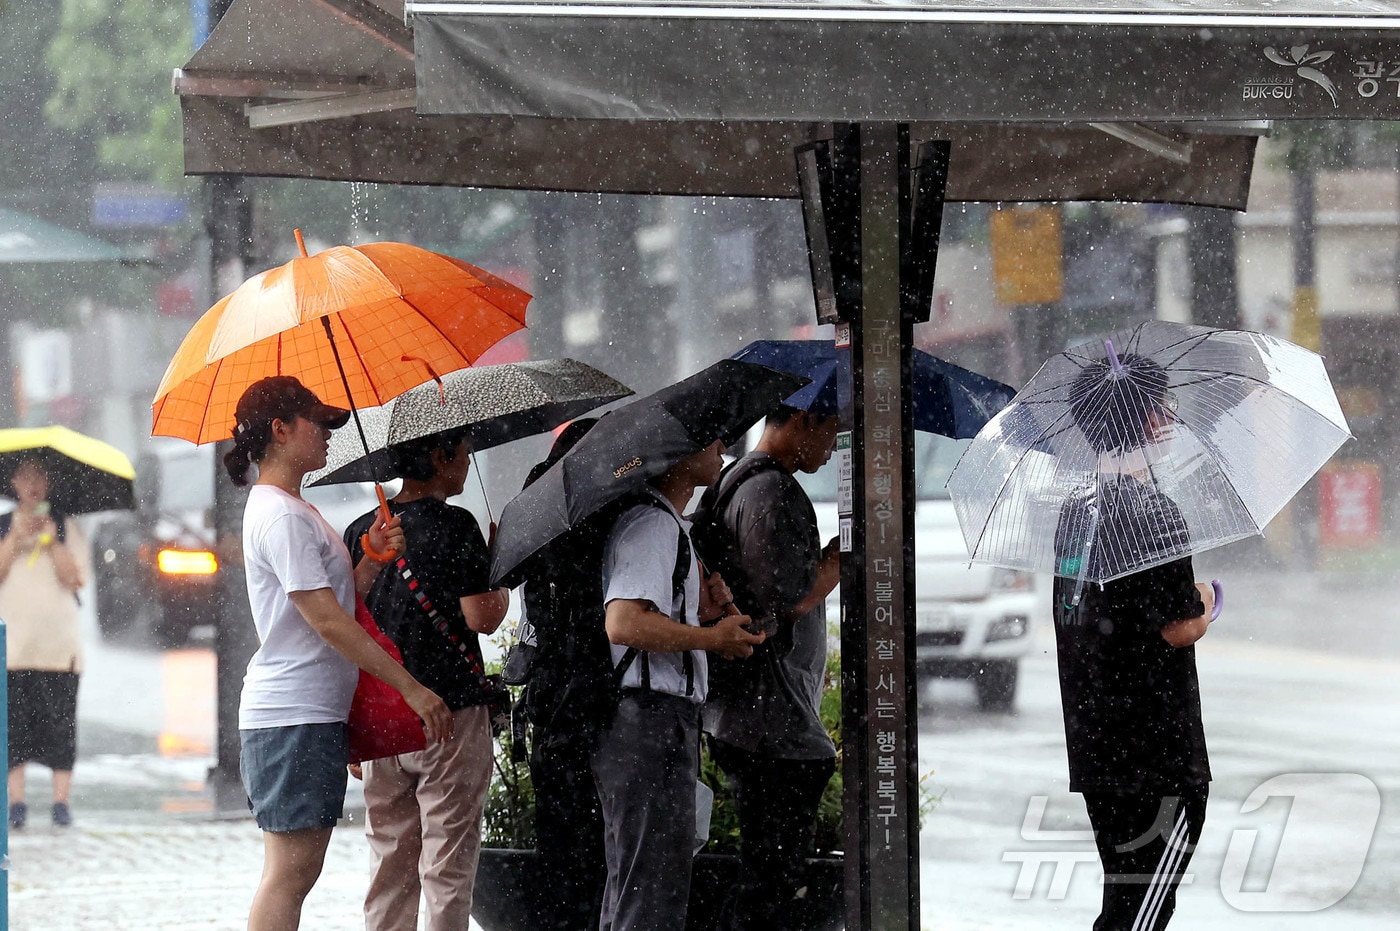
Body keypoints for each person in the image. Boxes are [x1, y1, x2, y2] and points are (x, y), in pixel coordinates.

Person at [224, 375, 453, 931]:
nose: (329, 434)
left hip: (309, 712)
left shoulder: (293, 510)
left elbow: (335, 604)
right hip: (292, 714)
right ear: (280, 430)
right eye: (318, 423)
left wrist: (369, 562)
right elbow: (325, 621)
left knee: (297, 872)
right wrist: (411, 687)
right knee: (290, 874)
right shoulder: (280, 516)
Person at [1052, 356, 1216, 931]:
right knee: (1142, 911)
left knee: (1125, 902)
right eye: (1163, 405)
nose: (1169, 416)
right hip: (1157, 753)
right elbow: (1179, 625)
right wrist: (1209, 601)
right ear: (1148, 420)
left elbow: (1091, 616)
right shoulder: (1155, 513)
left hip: (1100, 746)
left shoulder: (1077, 512)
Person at [592, 438, 765, 931]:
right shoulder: (651, 526)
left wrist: (705, 614)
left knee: (643, 880)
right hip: (647, 719)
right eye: (711, 441)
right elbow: (623, 623)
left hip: (656, 721)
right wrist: (709, 637)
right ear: (677, 454)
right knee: (648, 886)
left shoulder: (668, 526)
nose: (723, 450)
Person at [343, 428, 510, 931]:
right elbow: (482, 618)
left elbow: (346, 622)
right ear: (440, 456)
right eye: (463, 452)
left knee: (389, 864)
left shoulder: (361, 530)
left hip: (382, 718)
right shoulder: (456, 525)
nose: (466, 462)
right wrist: (498, 568)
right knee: (447, 865)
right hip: (449, 714)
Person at [692, 404, 841, 931]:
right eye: (832, 433)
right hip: (769, 722)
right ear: (802, 421)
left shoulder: (739, 483)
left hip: (748, 714)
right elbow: (786, 597)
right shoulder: (769, 491)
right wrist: (842, 558)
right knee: (770, 882)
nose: (834, 448)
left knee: (766, 874)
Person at [516, 418, 610, 931]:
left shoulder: (538, 506)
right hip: (590, 695)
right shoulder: (596, 513)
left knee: (558, 836)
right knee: (593, 841)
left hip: (549, 697)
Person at [1, 458, 89, 830]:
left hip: (57, 648)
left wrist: (52, 541)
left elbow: (76, 579)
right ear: (15, 483)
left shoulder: (66, 526)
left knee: (59, 726)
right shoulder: (5, 525)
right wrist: (16, 540)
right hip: (15, 647)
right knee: (13, 728)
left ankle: (60, 802)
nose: (33, 485)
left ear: (49, 483)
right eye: (25, 477)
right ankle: (16, 802)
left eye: (40, 477)